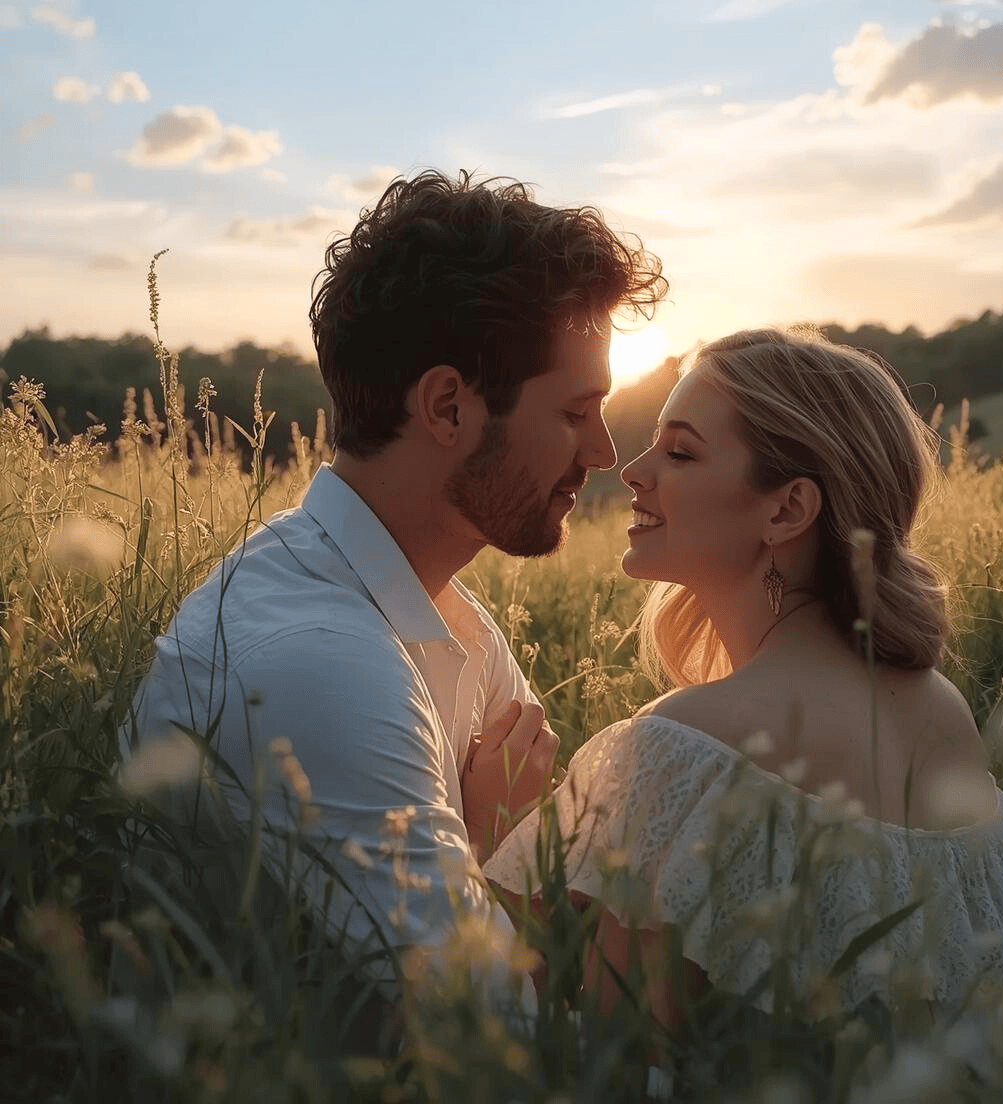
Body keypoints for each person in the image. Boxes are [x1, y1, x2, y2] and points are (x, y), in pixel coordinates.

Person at [485, 327, 1003, 1097]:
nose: (634, 470)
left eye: (680, 453)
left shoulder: (680, 746)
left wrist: (492, 835)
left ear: (788, 508)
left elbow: (615, 1065)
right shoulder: (936, 706)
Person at [127, 170, 666, 1021]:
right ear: (448, 406)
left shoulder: (447, 615)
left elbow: (569, 934)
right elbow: (493, 1038)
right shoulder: (321, 664)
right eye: (574, 412)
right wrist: (492, 850)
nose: (602, 451)